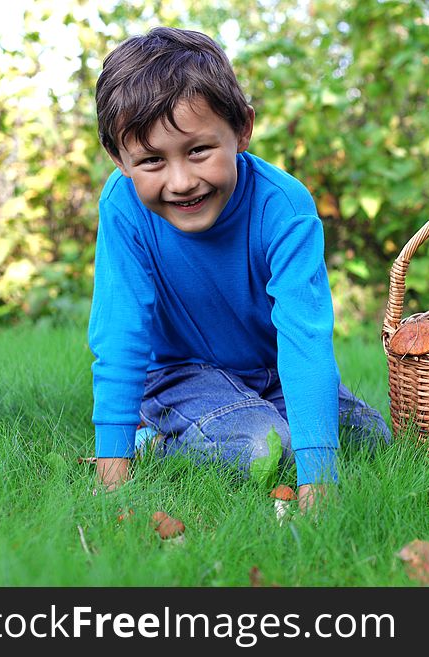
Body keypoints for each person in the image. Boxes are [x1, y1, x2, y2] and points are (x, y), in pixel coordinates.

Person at [89, 26, 390, 512]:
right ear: (119, 159)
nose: (181, 181)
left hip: (268, 369)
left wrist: (321, 478)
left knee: (369, 438)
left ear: (242, 130)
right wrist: (112, 465)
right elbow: (120, 331)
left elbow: (304, 337)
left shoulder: (284, 207)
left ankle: (256, 419)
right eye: (150, 160)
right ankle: (157, 439)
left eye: (199, 150)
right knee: (260, 447)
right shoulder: (123, 207)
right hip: (178, 372)